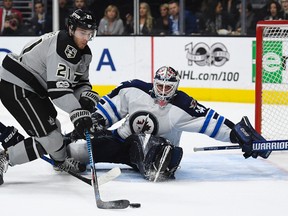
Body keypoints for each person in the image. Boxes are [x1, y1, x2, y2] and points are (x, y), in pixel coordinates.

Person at [65, 66, 271, 182]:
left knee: (161, 150)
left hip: (151, 151)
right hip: (121, 143)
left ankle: (162, 162)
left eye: (168, 87)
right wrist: (96, 121)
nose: (163, 91)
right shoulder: (134, 90)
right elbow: (109, 108)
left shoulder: (183, 105)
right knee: (79, 149)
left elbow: (212, 123)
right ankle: (64, 151)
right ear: (154, 83)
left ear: (176, 87)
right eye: (160, 85)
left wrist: (238, 135)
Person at [0, 9, 100, 185]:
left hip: (32, 87)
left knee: (55, 127)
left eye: (90, 34)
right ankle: (5, 157)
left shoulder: (84, 53)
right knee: (50, 139)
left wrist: (85, 96)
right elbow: (58, 92)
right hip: (17, 86)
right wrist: (78, 112)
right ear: (71, 28)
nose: (86, 38)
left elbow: (80, 83)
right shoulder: (64, 47)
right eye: (82, 32)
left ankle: (60, 162)